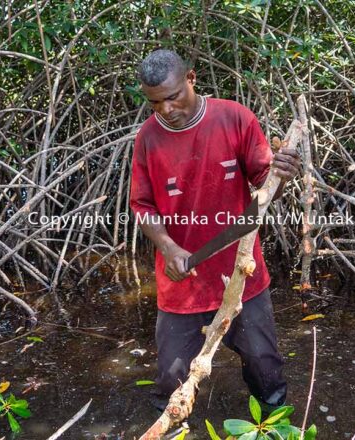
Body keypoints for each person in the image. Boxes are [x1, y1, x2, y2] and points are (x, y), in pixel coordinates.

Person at [129, 49, 301, 413]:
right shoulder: (148, 137)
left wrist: (281, 172)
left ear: (191, 79)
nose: (166, 110)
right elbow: (141, 206)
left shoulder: (234, 117)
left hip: (241, 275)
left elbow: (264, 183)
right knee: (169, 385)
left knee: (266, 371)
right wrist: (167, 247)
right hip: (182, 282)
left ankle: (275, 430)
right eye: (154, 103)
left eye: (173, 97)